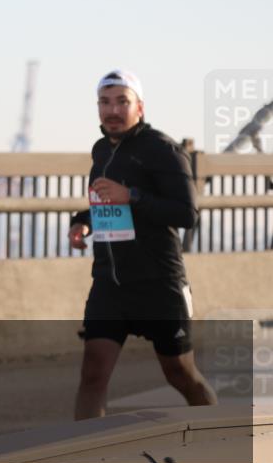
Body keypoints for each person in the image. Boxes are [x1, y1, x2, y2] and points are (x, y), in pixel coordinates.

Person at [68, 69, 217, 420]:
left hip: (158, 283)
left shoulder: (163, 149)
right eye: (105, 102)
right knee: (92, 374)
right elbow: (104, 202)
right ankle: (88, 462)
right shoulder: (102, 149)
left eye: (122, 101)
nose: (113, 110)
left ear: (140, 107)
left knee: (181, 374)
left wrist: (132, 196)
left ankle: (224, 436)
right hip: (111, 283)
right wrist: (83, 222)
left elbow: (186, 213)